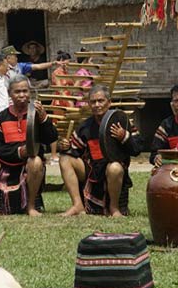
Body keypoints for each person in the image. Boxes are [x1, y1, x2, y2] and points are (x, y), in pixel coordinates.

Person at [0, 76, 58, 218]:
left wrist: (43, 117)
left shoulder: (36, 114)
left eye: (25, 91)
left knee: (36, 161)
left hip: (30, 166)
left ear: (30, 92)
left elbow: (52, 138)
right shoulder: (1, 118)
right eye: (17, 92)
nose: (22, 95)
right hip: (4, 167)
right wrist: (19, 151)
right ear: (9, 94)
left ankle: (31, 206)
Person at [58, 85, 142, 217]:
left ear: (109, 103)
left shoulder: (121, 121)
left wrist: (124, 136)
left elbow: (137, 149)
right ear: (89, 104)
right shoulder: (85, 127)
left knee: (114, 167)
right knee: (65, 159)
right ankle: (77, 205)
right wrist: (66, 147)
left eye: (100, 101)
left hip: (113, 172)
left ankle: (114, 208)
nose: (97, 105)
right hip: (92, 172)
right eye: (93, 102)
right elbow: (75, 152)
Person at [150, 82, 178, 167]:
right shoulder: (166, 125)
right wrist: (157, 158)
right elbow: (154, 153)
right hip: (174, 170)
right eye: (176, 101)